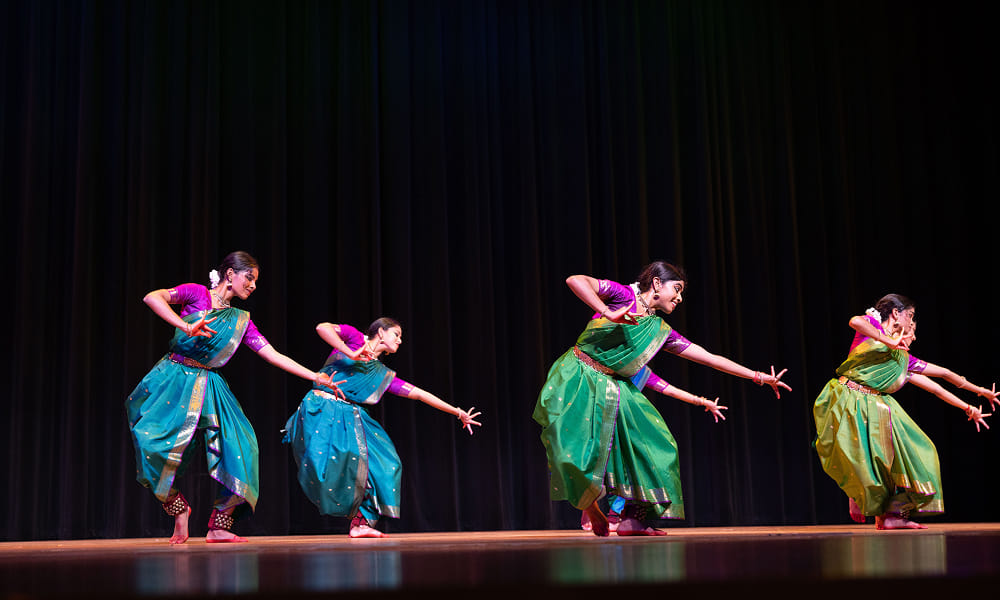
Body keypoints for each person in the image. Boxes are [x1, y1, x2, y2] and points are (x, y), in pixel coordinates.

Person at [533, 261, 791, 537]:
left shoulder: (660, 331)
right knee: (575, 448)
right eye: (676, 289)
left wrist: (757, 376)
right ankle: (591, 505)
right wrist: (608, 312)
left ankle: (633, 518)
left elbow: (708, 358)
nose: (679, 298)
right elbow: (575, 280)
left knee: (657, 443)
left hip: (613, 384)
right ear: (656, 283)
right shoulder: (623, 296)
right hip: (578, 374)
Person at [126, 251, 342, 544]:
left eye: (256, 281)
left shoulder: (241, 321)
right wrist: (186, 326)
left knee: (243, 447)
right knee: (150, 445)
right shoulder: (196, 294)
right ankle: (178, 508)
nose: (253, 285)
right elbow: (152, 297)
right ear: (230, 274)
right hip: (173, 377)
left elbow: (272, 354)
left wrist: (315, 376)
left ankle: (219, 525)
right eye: (249, 278)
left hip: (210, 383)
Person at [283, 318, 482, 538]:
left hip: (351, 415)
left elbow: (419, 393)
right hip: (322, 408)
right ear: (380, 332)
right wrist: (351, 353)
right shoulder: (353, 338)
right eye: (397, 334)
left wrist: (457, 412)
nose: (400, 340)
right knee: (336, 464)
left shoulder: (382, 374)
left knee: (387, 462)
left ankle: (361, 524)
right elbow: (322, 328)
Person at [813, 294, 995, 530]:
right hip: (847, 398)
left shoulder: (904, 360)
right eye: (911, 317)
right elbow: (854, 321)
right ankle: (857, 492)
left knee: (908, 454)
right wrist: (887, 341)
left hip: (875, 405)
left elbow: (942, 380)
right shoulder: (872, 326)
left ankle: (891, 515)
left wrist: (975, 399)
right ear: (896, 313)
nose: (913, 332)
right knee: (865, 453)